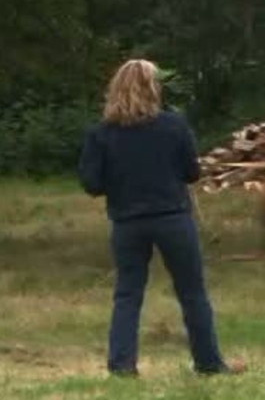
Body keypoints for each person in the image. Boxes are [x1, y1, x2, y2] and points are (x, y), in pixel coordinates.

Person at [78, 58, 246, 378]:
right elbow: (191, 172)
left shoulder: (101, 134)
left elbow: (91, 184)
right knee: (192, 292)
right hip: (172, 218)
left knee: (127, 294)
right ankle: (208, 363)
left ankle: (122, 365)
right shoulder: (174, 125)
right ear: (153, 88)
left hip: (127, 222)